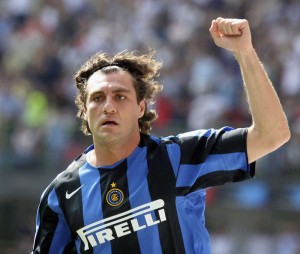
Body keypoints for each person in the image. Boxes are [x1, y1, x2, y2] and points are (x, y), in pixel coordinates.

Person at [32, 18, 290, 254]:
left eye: (120, 96)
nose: (108, 106)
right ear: (84, 112)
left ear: (141, 108)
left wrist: (244, 53)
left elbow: (272, 134)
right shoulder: (61, 194)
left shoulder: (179, 157)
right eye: (97, 98)